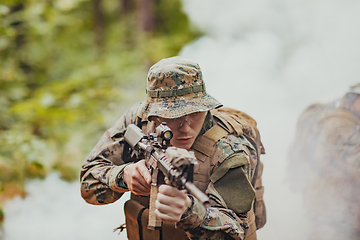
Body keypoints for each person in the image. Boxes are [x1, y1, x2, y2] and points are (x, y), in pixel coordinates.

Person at [80, 56, 266, 240]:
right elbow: (88, 183)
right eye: (172, 115)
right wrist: (123, 176)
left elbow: (235, 234)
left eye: (194, 113)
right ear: (153, 113)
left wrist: (191, 213)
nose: (185, 127)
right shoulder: (138, 121)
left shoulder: (229, 148)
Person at [288, 84, 360, 239]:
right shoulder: (338, 125)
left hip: (340, 206)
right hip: (331, 207)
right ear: (353, 99)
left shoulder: (347, 118)